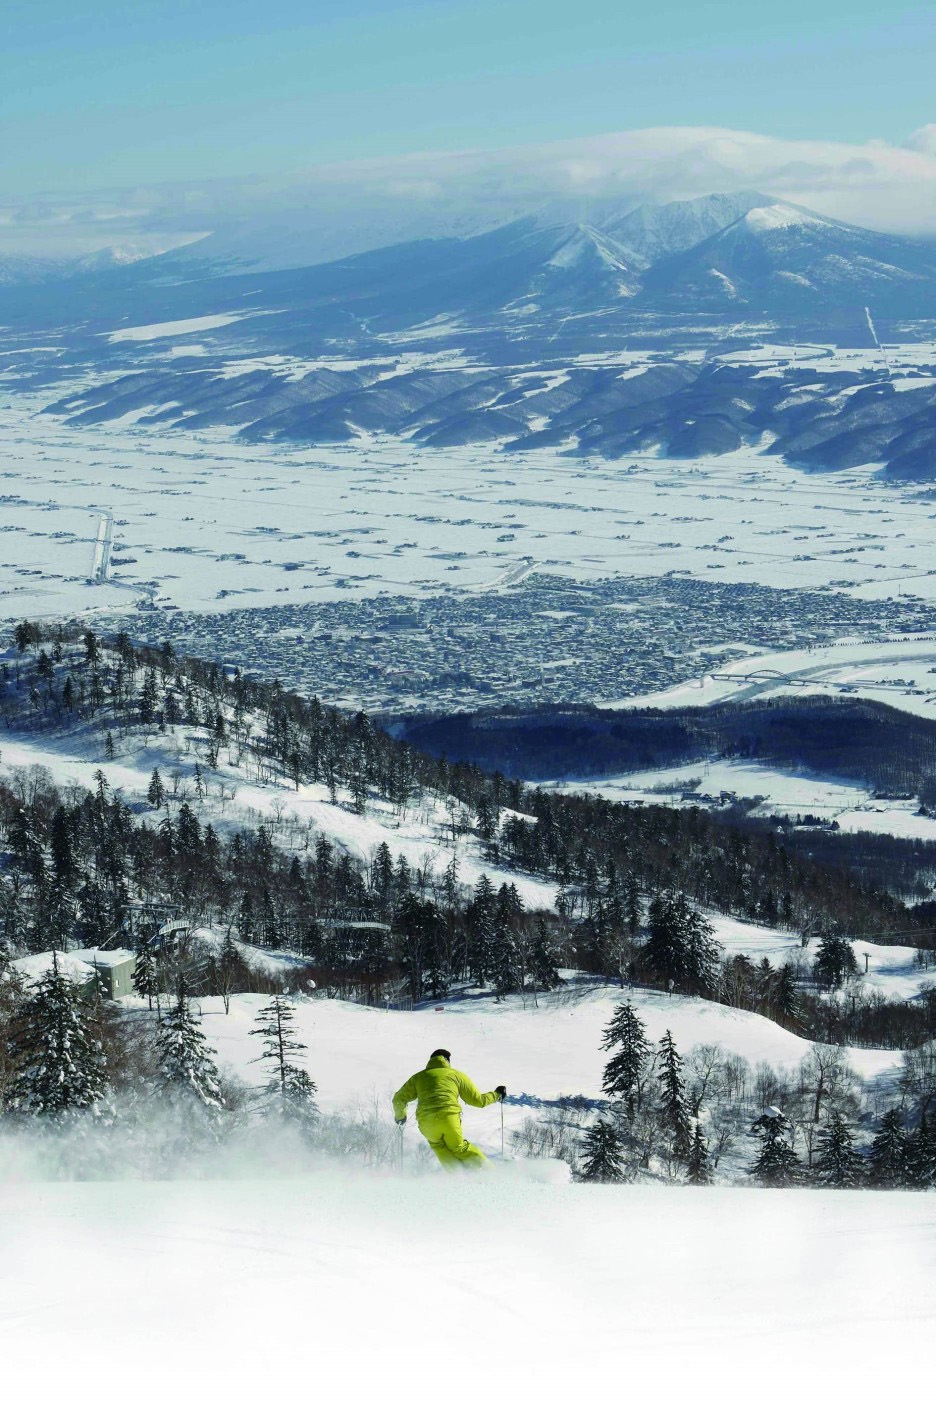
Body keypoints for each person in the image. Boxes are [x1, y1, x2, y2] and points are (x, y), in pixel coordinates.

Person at [393, 1049, 506, 1171]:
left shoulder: (418, 1077)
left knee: (438, 1146)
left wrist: (400, 1117)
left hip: (427, 1123)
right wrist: (497, 1094)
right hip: (449, 1119)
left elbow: (398, 1099)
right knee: (459, 1147)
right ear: (447, 1061)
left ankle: (457, 1177)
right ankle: (489, 1171)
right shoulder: (456, 1075)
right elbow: (478, 1101)